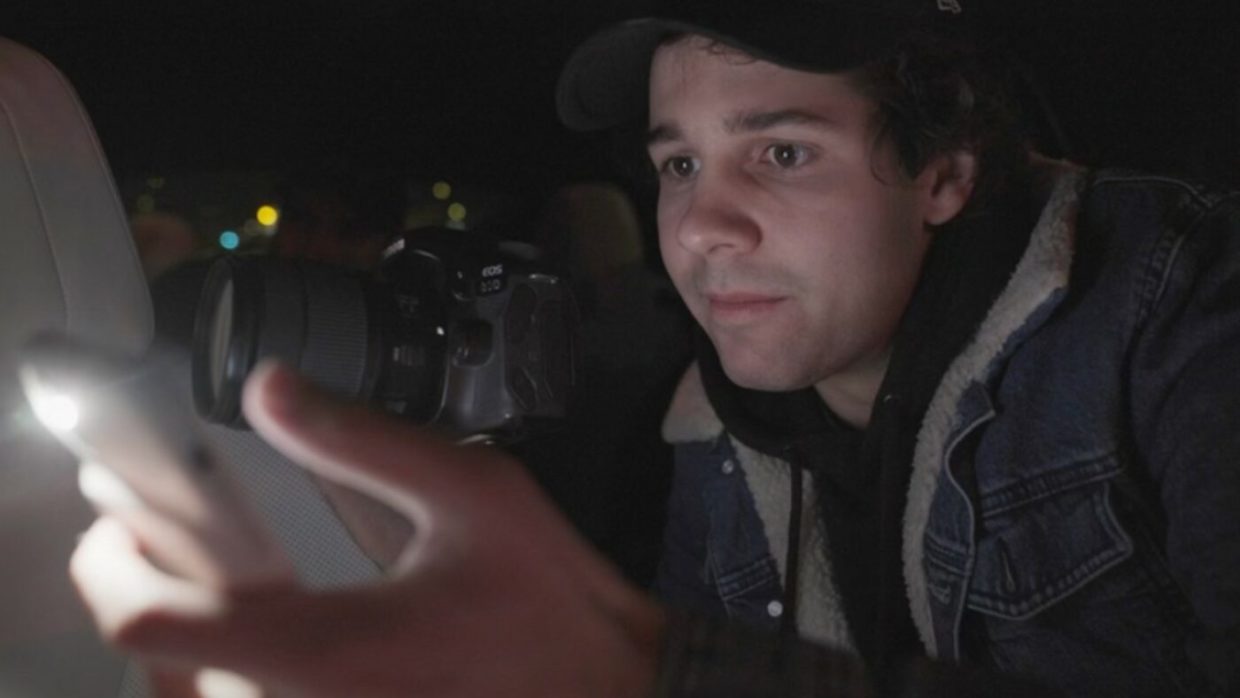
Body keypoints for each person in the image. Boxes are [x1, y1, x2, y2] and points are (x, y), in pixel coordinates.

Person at [69, 1, 1240, 696]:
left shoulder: (1177, 317)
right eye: (679, 162)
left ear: (944, 173)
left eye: (780, 153)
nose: (701, 225)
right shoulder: (713, 430)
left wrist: (643, 665)